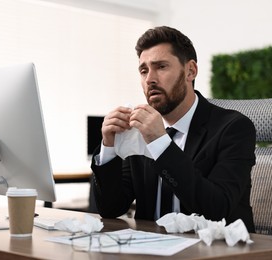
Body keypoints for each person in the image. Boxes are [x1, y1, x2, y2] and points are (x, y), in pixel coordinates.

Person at [90, 26, 256, 233]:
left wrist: (160, 143)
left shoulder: (234, 128)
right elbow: (110, 208)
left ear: (190, 71)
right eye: (143, 70)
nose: (150, 79)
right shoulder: (139, 131)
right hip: (150, 249)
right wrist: (109, 147)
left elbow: (217, 209)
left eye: (161, 67)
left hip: (212, 250)